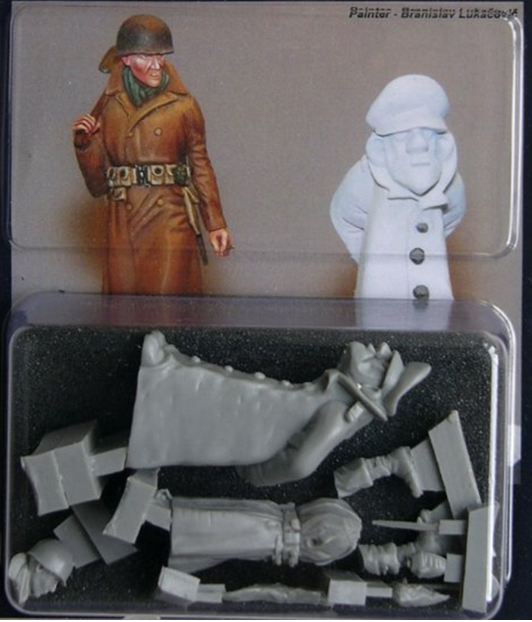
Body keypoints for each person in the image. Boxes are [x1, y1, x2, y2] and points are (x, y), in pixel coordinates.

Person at [73, 15, 232, 294]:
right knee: (122, 304)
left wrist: (215, 224)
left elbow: (200, 165)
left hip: (169, 215)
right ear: (126, 59)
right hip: (122, 218)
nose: (157, 64)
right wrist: (86, 145)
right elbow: (98, 186)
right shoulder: (110, 105)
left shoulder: (184, 106)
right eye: (147, 56)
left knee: (167, 301)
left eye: (161, 55)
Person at [330, 75, 466, 300]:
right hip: (379, 301)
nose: (418, 145)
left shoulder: (451, 183)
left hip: (436, 303)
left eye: (428, 134)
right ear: (381, 147)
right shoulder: (364, 178)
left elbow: (452, 216)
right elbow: (344, 217)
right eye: (403, 136)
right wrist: (371, 261)